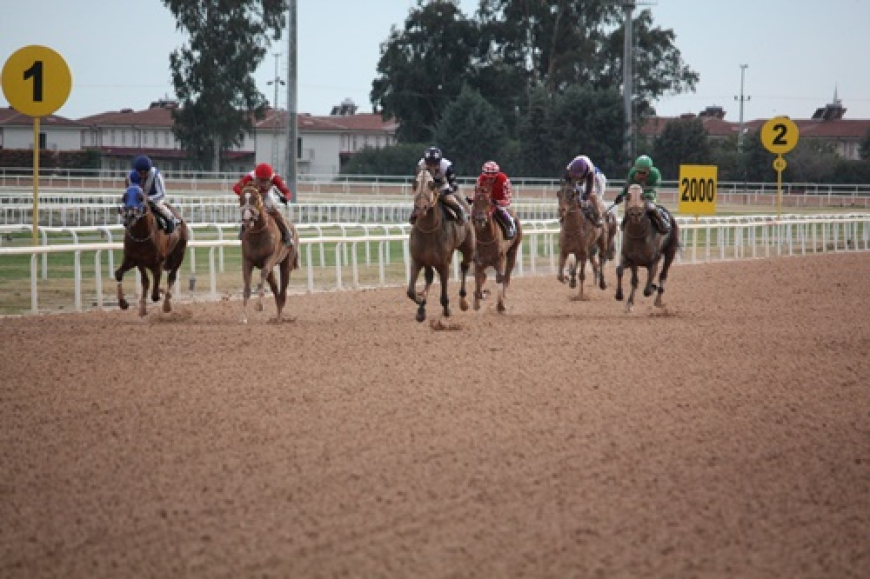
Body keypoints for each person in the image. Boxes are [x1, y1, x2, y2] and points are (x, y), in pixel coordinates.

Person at [232, 163, 294, 247]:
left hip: (267, 195)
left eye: (266, 180)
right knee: (247, 209)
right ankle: (243, 228)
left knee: (273, 209)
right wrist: (247, 193)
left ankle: (287, 233)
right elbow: (236, 188)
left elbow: (287, 192)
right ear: (256, 177)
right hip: (254, 195)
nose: (263, 184)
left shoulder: (275, 178)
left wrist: (286, 198)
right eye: (261, 180)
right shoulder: (250, 176)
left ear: (270, 178)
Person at [409, 146, 469, 225]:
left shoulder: (446, 167)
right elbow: (415, 182)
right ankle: (414, 213)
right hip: (428, 188)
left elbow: (454, 186)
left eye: (434, 164)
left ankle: (460, 213)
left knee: (449, 200)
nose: (432, 167)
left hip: (442, 186)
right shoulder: (421, 165)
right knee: (421, 199)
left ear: (439, 162)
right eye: (429, 164)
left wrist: (443, 193)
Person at [612, 154, 670, 234]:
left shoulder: (655, 174)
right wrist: (621, 195)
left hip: (649, 194)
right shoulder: (632, 173)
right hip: (635, 195)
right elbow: (627, 187)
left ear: (649, 170)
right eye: (639, 172)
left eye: (643, 173)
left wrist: (646, 195)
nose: (641, 175)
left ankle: (661, 222)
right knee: (628, 204)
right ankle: (625, 220)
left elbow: (655, 189)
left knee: (650, 207)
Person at [131, 155, 179, 233]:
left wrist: (149, 198)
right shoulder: (132, 175)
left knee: (159, 206)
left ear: (149, 170)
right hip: (140, 199)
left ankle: (171, 219)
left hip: (156, 198)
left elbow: (162, 193)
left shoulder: (156, 175)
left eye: (145, 173)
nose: (142, 175)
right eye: (140, 173)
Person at [474, 160, 516, 239]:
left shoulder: (504, 179)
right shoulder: (480, 179)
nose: (489, 179)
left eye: (492, 177)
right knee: (475, 210)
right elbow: (477, 194)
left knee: (501, 210)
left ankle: (510, 225)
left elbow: (508, 199)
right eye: (487, 176)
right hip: (486, 202)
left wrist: (498, 202)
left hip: (500, 201)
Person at [562, 155, 606, 226]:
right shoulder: (568, 169)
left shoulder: (590, 172)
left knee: (593, 196)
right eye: (575, 176)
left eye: (578, 176)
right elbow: (567, 184)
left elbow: (589, 189)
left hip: (598, 178)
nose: (576, 177)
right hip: (582, 178)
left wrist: (585, 198)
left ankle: (599, 215)